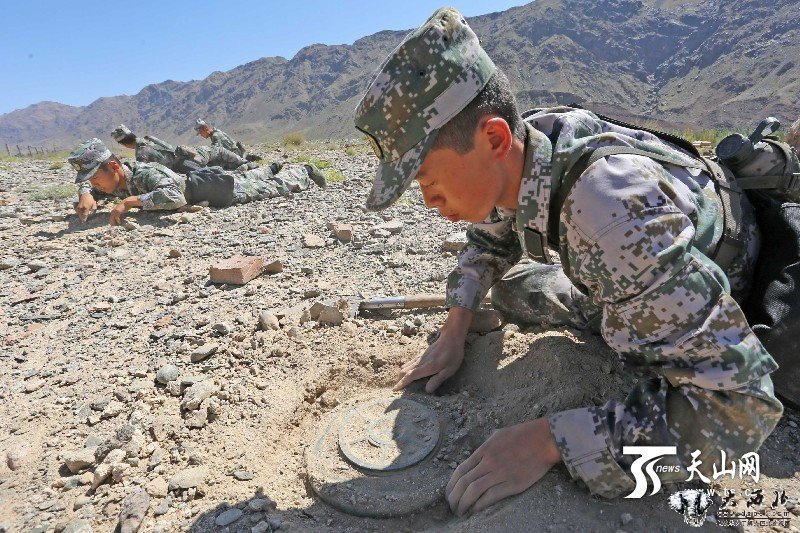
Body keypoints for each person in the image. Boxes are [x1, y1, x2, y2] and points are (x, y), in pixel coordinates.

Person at [354, 7, 797, 516]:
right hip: (642, 268)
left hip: (726, 278)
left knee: (654, 359)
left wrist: (552, 442)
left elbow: (743, 410)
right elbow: (490, 238)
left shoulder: (612, 219)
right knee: (515, 288)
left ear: (494, 138)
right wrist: (454, 329)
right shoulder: (530, 146)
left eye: (428, 179)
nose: (429, 200)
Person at [69, 138, 326, 225]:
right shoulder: (115, 182)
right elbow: (92, 188)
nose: (96, 184)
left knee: (268, 188)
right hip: (206, 180)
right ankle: (271, 167)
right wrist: (85, 193)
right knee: (246, 177)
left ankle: (303, 170)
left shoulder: (144, 174)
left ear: (114, 167)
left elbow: (174, 197)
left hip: (210, 189)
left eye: (96, 177)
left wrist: (129, 202)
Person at [110, 124, 254, 173]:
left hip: (181, 164)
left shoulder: (141, 154)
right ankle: (245, 164)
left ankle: (244, 165)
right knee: (216, 158)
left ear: (124, 144)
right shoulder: (149, 138)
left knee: (212, 165)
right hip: (186, 156)